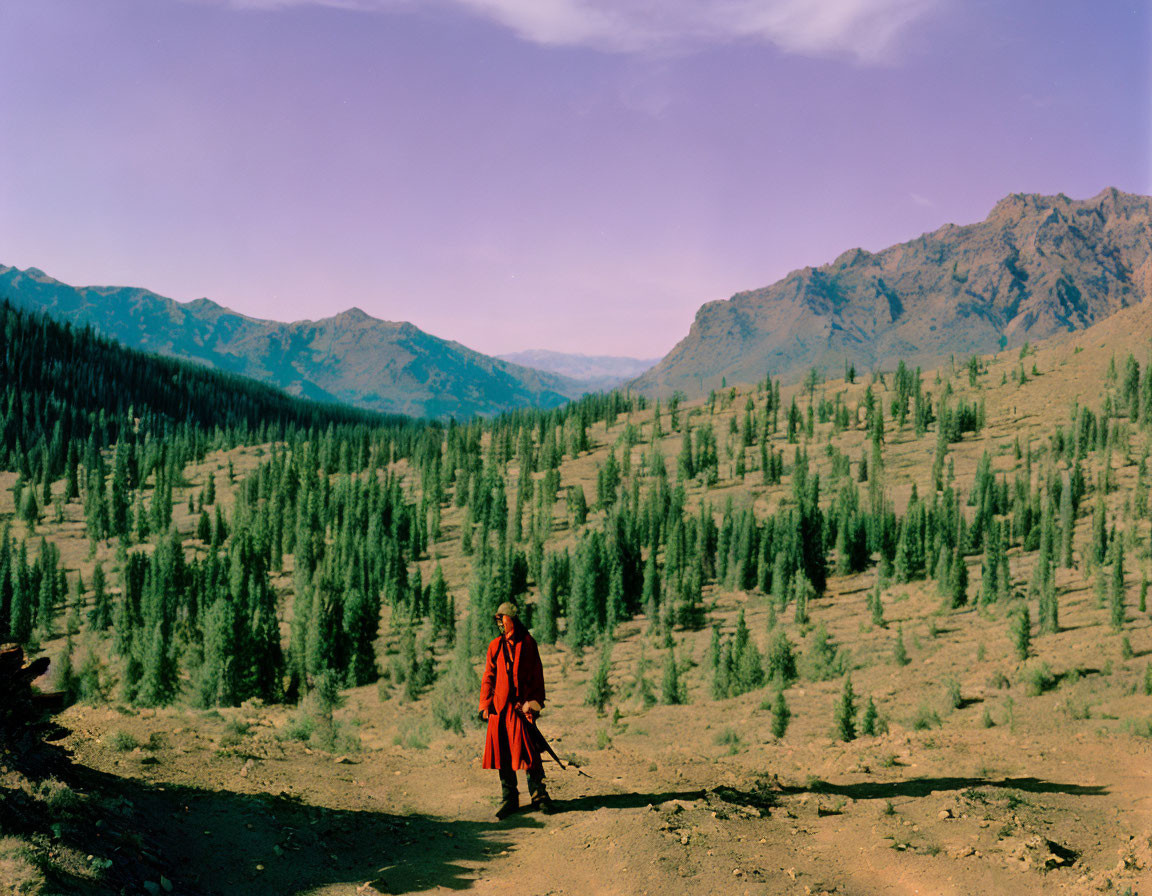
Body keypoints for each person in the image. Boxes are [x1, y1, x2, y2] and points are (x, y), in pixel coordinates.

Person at [479, 601, 554, 819]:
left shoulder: (528, 643)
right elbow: (489, 676)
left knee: (529, 752)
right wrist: (485, 705)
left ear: (512, 618)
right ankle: (509, 798)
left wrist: (534, 701)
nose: (500, 623)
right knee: (502, 753)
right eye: (497, 619)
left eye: (502, 618)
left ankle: (539, 796)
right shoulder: (495, 646)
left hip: (521, 708)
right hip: (499, 709)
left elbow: (536, 675)